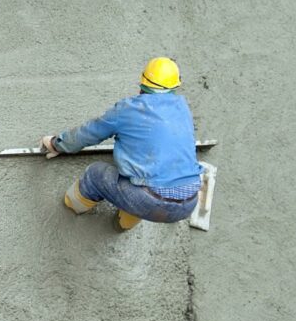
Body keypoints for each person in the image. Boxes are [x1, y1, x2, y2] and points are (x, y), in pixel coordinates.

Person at [39, 57, 202, 232]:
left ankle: (72, 205)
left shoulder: (128, 109)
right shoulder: (183, 107)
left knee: (96, 175)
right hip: (189, 202)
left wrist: (56, 144)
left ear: (143, 81)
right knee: (144, 183)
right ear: (175, 85)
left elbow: (89, 133)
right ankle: (123, 224)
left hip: (148, 200)